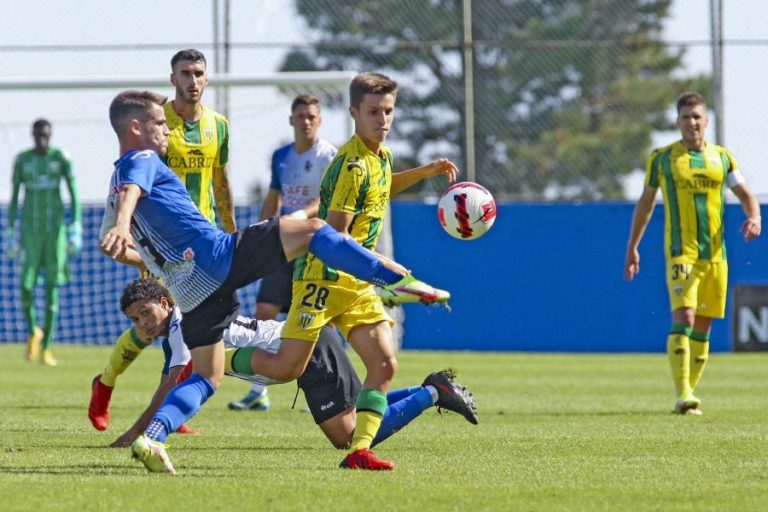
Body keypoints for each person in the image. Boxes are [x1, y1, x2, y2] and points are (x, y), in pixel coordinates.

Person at [99, 89, 449, 474]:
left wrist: (125, 233)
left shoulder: (115, 182)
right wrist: (122, 224)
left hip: (189, 291)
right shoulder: (142, 159)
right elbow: (133, 191)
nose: (167, 130)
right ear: (136, 127)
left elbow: (117, 240)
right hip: (217, 257)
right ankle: (391, 281)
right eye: (159, 123)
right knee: (314, 230)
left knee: (207, 375)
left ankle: (154, 437)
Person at [238, 72, 461, 470]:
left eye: (388, 111)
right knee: (286, 367)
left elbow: (382, 186)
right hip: (321, 280)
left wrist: (425, 172)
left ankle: (359, 452)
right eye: (373, 112)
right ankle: (213, 362)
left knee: (385, 364)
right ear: (354, 113)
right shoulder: (351, 165)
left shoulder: (380, 156)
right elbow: (336, 235)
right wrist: (388, 271)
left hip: (356, 283)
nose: (383, 119)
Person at [113, 278, 476, 476]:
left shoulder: (182, 327)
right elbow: (170, 384)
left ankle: (432, 393)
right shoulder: (179, 329)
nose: (142, 324)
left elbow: (170, 386)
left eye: (145, 312)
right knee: (354, 419)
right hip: (305, 345)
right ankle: (428, 387)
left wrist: (137, 434)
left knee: (347, 437)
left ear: (165, 303)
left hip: (308, 351)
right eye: (135, 319)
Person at [88, 49, 236, 431]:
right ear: (173, 79)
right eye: (185, 73)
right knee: (151, 324)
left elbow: (221, 179)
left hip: (203, 242)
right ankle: (108, 384)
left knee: (179, 325)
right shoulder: (158, 120)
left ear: (207, 78)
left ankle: (171, 402)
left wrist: (230, 227)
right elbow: (136, 175)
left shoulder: (218, 126)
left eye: (199, 73)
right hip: (160, 241)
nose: (192, 80)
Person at [624, 91, 761, 415]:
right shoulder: (663, 160)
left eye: (697, 116)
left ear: (706, 120)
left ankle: (688, 393)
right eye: (686, 117)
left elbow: (745, 194)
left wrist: (754, 216)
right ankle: (683, 393)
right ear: (678, 122)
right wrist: (633, 246)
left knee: (702, 325)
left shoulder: (722, 158)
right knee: (684, 316)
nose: (692, 123)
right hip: (681, 253)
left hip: (715, 256)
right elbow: (646, 204)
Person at [228, 93, 337, 412]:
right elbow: (274, 196)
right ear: (291, 120)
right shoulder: (281, 156)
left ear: (320, 120)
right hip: (284, 244)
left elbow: (328, 199)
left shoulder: (329, 156)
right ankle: (258, 390)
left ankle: (326, 388)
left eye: (311, 116)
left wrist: (300, 216)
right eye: (300, 116)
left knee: (321, 320)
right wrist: (261, 232)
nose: (306, 121)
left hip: (316, 247)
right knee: (264, 309)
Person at [5, 118, 82, 366]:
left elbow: (74, 193)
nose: (42, 140)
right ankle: (33, 331)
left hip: (55, 233)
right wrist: (10, 230)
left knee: (52, 287)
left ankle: (47, 347)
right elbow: (15, 197)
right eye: (38, 135)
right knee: (25, 285)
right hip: (30, 232)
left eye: (45, 135)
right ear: (32, 135)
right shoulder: (22, 160)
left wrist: (75, 227)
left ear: (50, 135)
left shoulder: (61, 158)